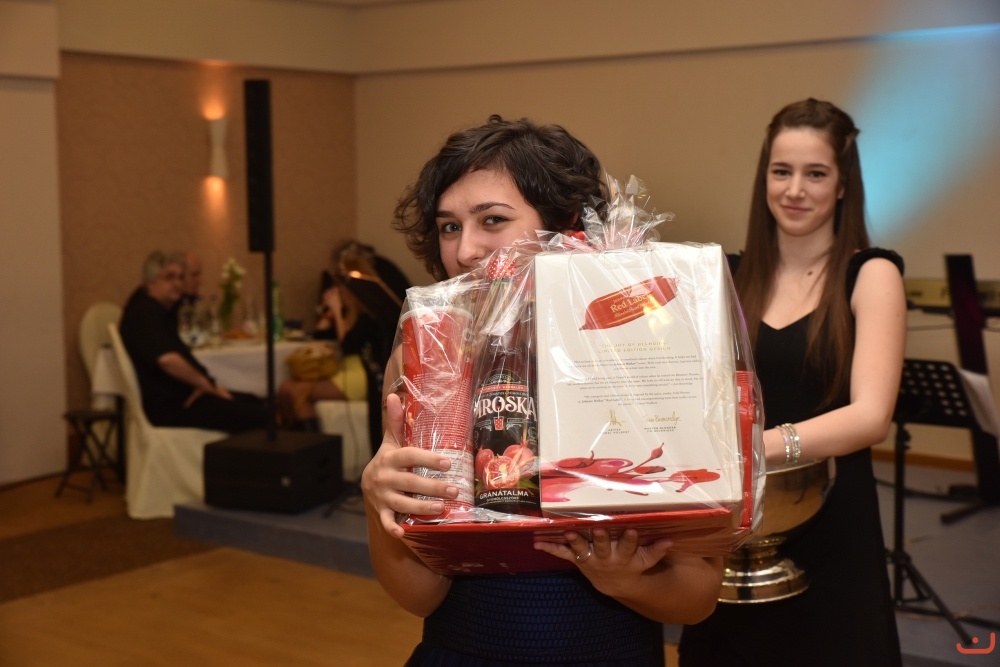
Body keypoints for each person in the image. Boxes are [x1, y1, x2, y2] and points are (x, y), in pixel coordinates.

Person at [361, 115, 724, 666]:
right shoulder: (430, 359)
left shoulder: (646, 352)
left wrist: (626, 580)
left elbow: (698, 599)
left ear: (567, 225)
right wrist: (378, 498)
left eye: (493, 220)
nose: (465, 250)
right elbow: (419, 595)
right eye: (450, 226)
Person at [678, 99, 907, 666]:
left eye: (816, 174)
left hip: (833, 517)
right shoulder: (727, 276)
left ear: (843, 184)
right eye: (782, 171)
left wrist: (755, 449)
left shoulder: (871, 273)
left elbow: (871, 416)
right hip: (735, 525)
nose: (795, 190)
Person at [119, 250, 268, 433]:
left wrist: (205, 385)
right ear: (150, 281)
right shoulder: (145, 313)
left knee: (255, 402)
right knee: (257, 415)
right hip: (170, 406)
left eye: (181, 278)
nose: (177, 284)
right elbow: (168, 359)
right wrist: (204, 384)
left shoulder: (157, 310)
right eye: (169, 277)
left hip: (183, 397)